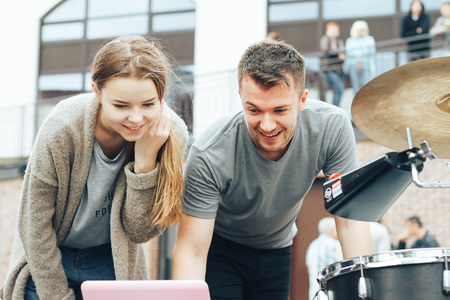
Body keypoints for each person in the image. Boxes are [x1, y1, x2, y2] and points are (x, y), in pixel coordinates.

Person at [172, 40, 373, 300]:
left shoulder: (331, 127)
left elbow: (349, 222)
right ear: (241, 98)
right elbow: (192, 251)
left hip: (278, 248)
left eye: (280, 110)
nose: (267, 125)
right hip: (219, 251)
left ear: (302, 100)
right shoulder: (209, 152)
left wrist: (365, 290)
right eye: (254, 109)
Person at [0, 35, 188, 300]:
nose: (136, 118)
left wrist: (145, 163)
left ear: (162, 96)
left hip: (111, 260)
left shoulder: (169, 134)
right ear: (97, 92)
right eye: (121, 105)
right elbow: (35, 226)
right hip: (51, 256)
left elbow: (140, 231)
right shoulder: (62, 128)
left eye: (148, 104)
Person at [305, 217, 343, 300]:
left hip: (315, 289)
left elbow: (309, 270)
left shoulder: (312, 245)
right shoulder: (334, 244)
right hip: (331, 289)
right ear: (331, 230)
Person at [345, 20, 376, 94]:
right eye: (358, 30)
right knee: (356, 87)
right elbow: (348, 52)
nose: (360, 32)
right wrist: (362, 51)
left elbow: (371, 51)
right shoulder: (350, 40)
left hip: (366, 65)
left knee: (366, 86)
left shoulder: (369, 39)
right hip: (353, 66)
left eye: (362, 30)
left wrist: (356, 52)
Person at [320, 21, 346, 107]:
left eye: (336, 30)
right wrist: (339, 54)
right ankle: (335, 108)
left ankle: (336, 107)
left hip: (338, 69)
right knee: (338, 88)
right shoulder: (325, 39)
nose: (334, 32)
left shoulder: (339, 40)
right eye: (332, 30)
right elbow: (326, 50)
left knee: (339, 90)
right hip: (329, 68)